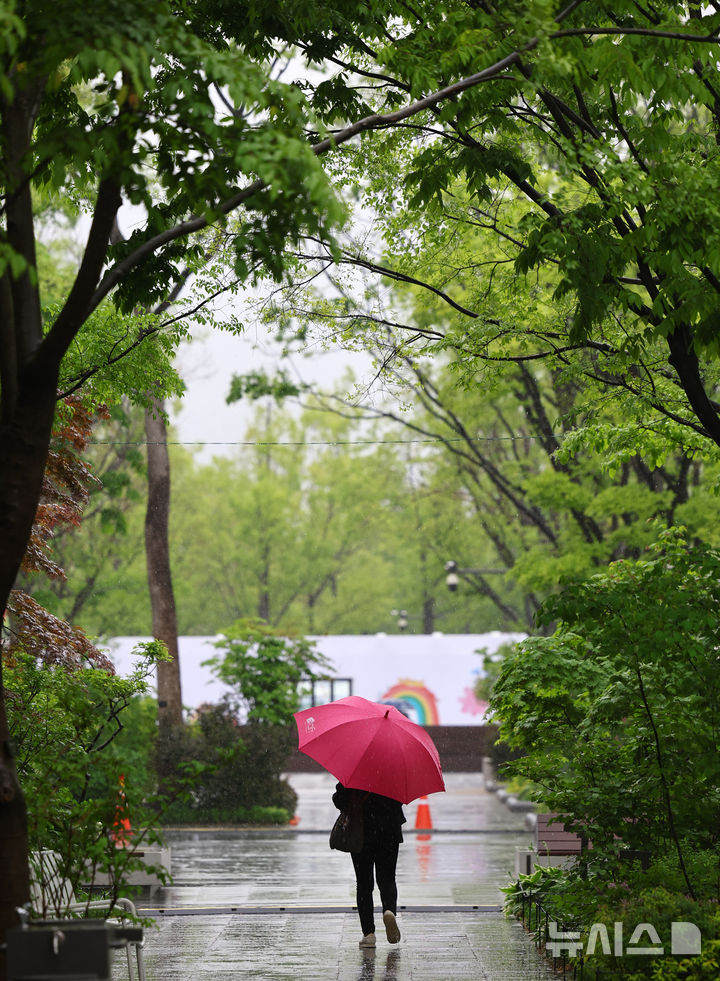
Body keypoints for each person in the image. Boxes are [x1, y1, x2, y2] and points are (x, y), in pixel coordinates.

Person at [332, 781, 406, 948]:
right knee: (387, 878)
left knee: (364, 883)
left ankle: (369, 934)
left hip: (361, 831)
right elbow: (400, 799)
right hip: (389, 831)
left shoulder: (355, 775)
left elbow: (339, 800)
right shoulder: (393, 775)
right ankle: (389, 910)